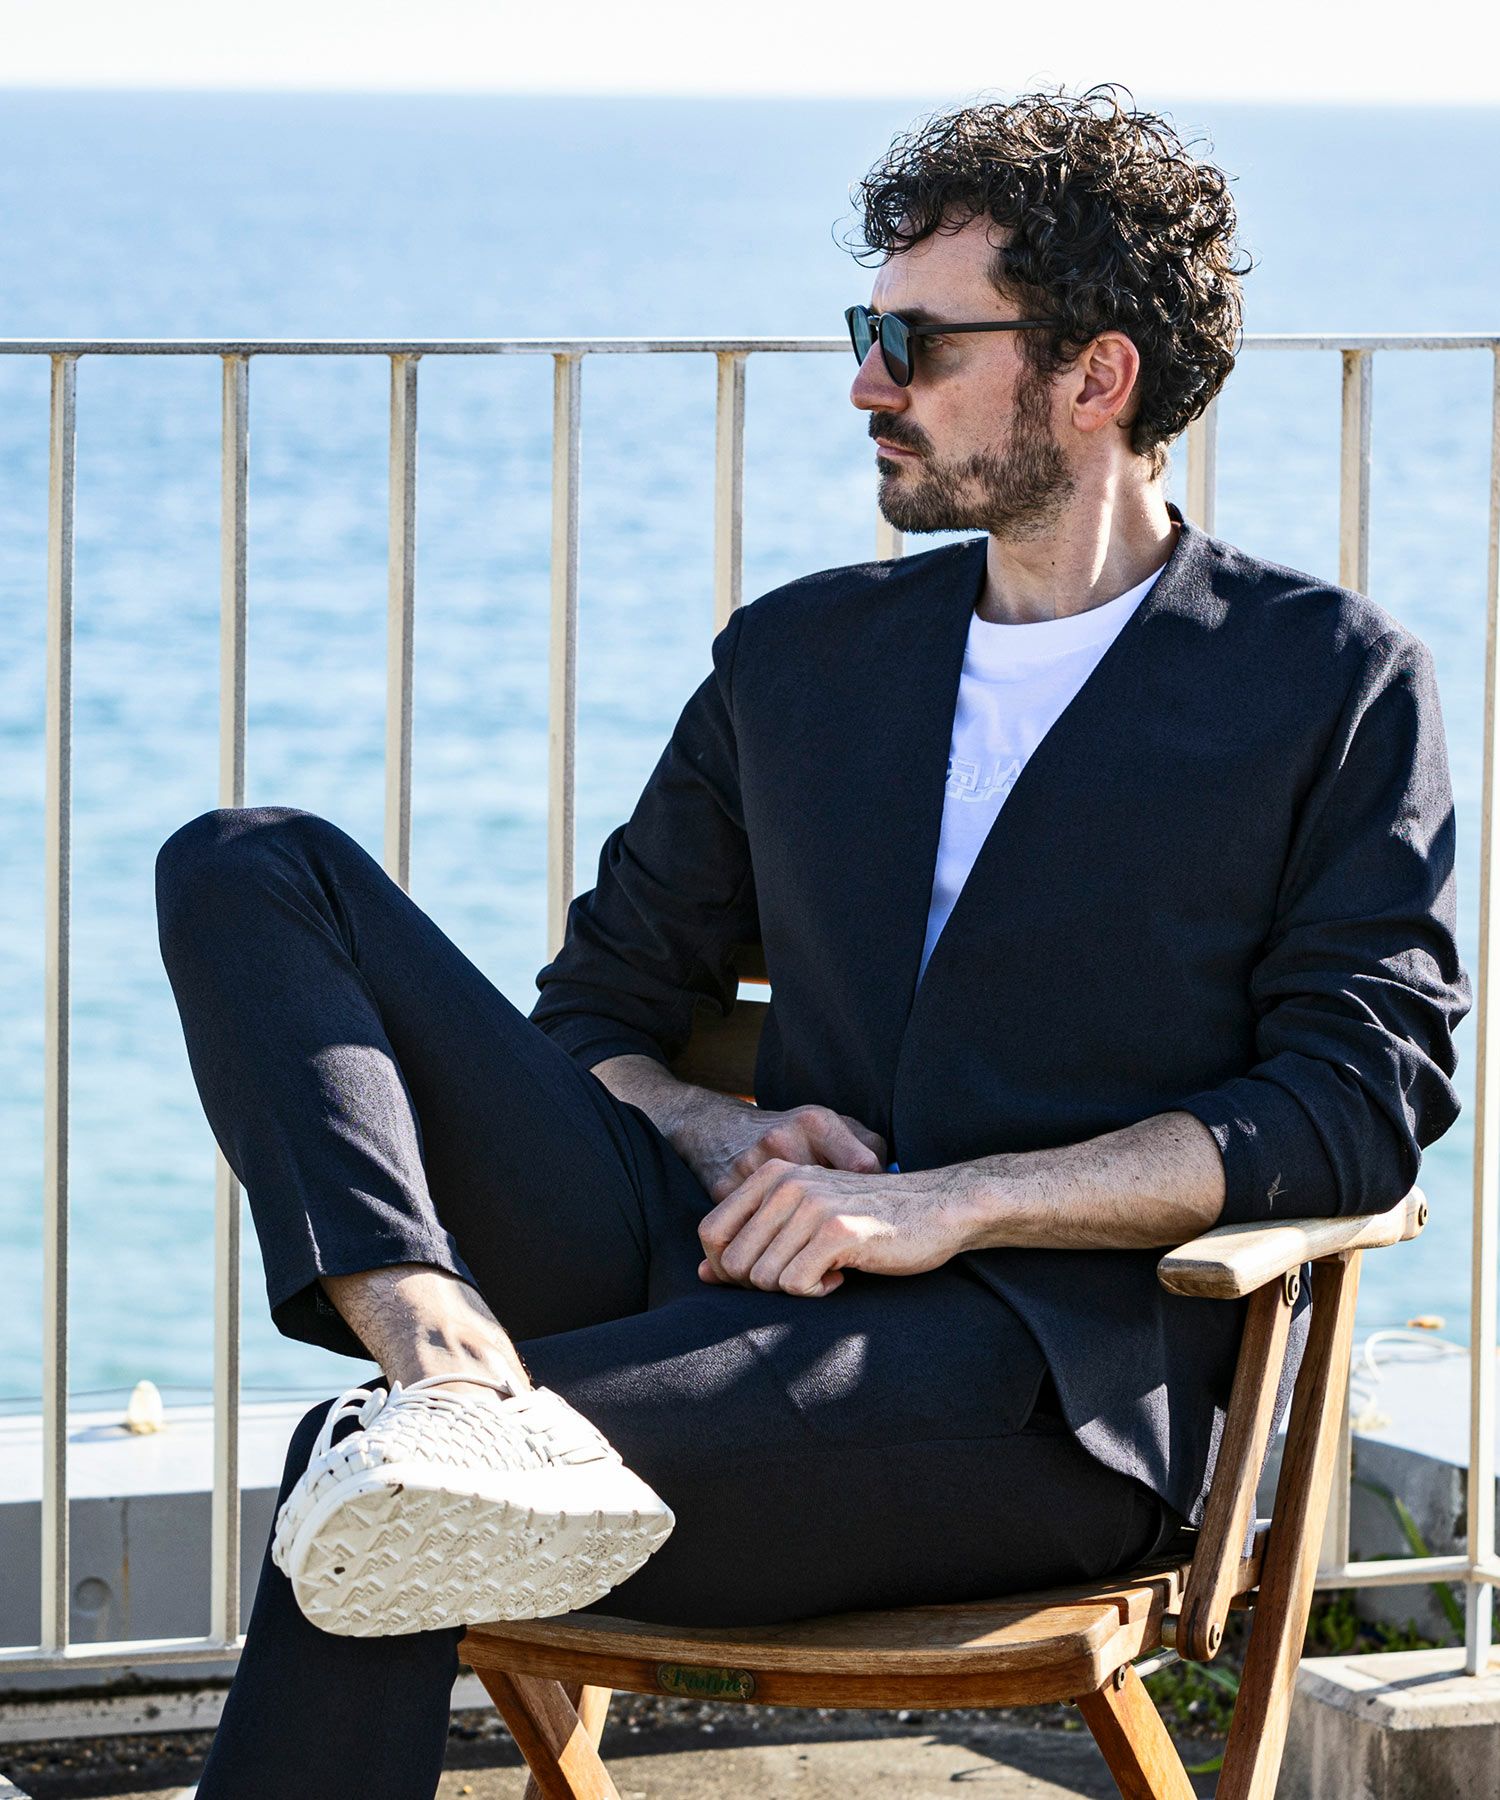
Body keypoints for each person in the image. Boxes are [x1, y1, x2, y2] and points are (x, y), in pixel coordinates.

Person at [153, 85, 1470, 1799]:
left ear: (1096, 378)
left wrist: (949, 1203)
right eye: (867, 332)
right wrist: (715, 1130)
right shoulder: (801, 659)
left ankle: (440, 1408)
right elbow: (599, 1013)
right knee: (249, 865)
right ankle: (426, 1324)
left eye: (913, 343)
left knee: (391, 1476)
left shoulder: (1326, 680)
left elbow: (1357, 1103)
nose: (866, 383)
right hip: (716, 1270)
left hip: (1039, 1379)